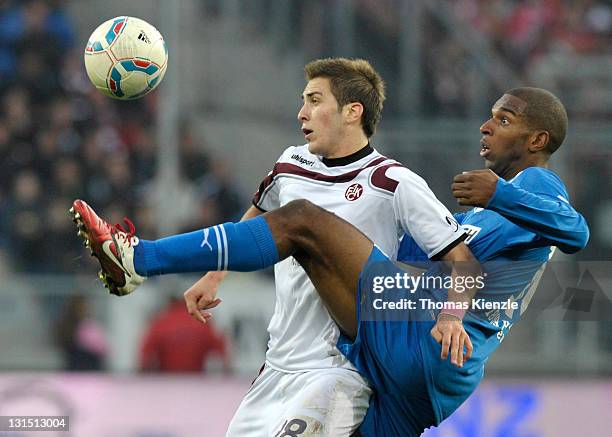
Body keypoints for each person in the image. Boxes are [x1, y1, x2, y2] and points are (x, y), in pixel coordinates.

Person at [71, 86, 588, 436]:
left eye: (503, 120)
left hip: (421, 339)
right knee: (312, 230)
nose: (485, 127)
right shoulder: (485, 218)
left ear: (537, 140)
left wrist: (500, 195)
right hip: (421, 381)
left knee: (302, 221)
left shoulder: (534, 186)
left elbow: (576, 231)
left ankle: (137, 258)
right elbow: (409, 250)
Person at [139, 296, 230, 373]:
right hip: (198, 382)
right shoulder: (203, 322)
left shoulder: (161, 321)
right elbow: (222, 353)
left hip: (166, 382)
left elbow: (145, 357)